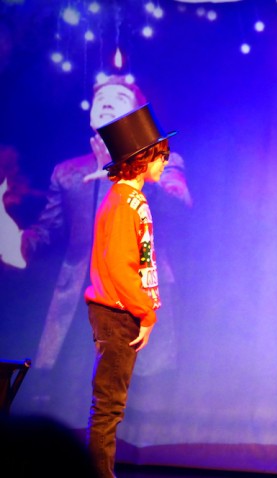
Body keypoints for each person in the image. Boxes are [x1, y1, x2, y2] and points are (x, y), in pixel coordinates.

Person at [18, 75, 190, 402]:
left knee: (131, 398)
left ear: (136, 115)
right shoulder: (67, 172)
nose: (107, 102)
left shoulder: (162, 164)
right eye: (101, 99)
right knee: (69, 396)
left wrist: (126, 172)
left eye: (119, 98)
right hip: (82, 299)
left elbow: (179, 208)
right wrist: (20, 242)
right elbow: (49, 230)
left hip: (134, 296)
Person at [84, 103, 176, 478]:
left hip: (122, 312)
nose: (165, 163)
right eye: (160, 156)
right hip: (118, 313)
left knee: (110, 405)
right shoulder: (124, 202)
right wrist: (146, 313)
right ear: (142, 159)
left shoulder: (129, 199)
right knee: (108, 406)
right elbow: (120, 266)